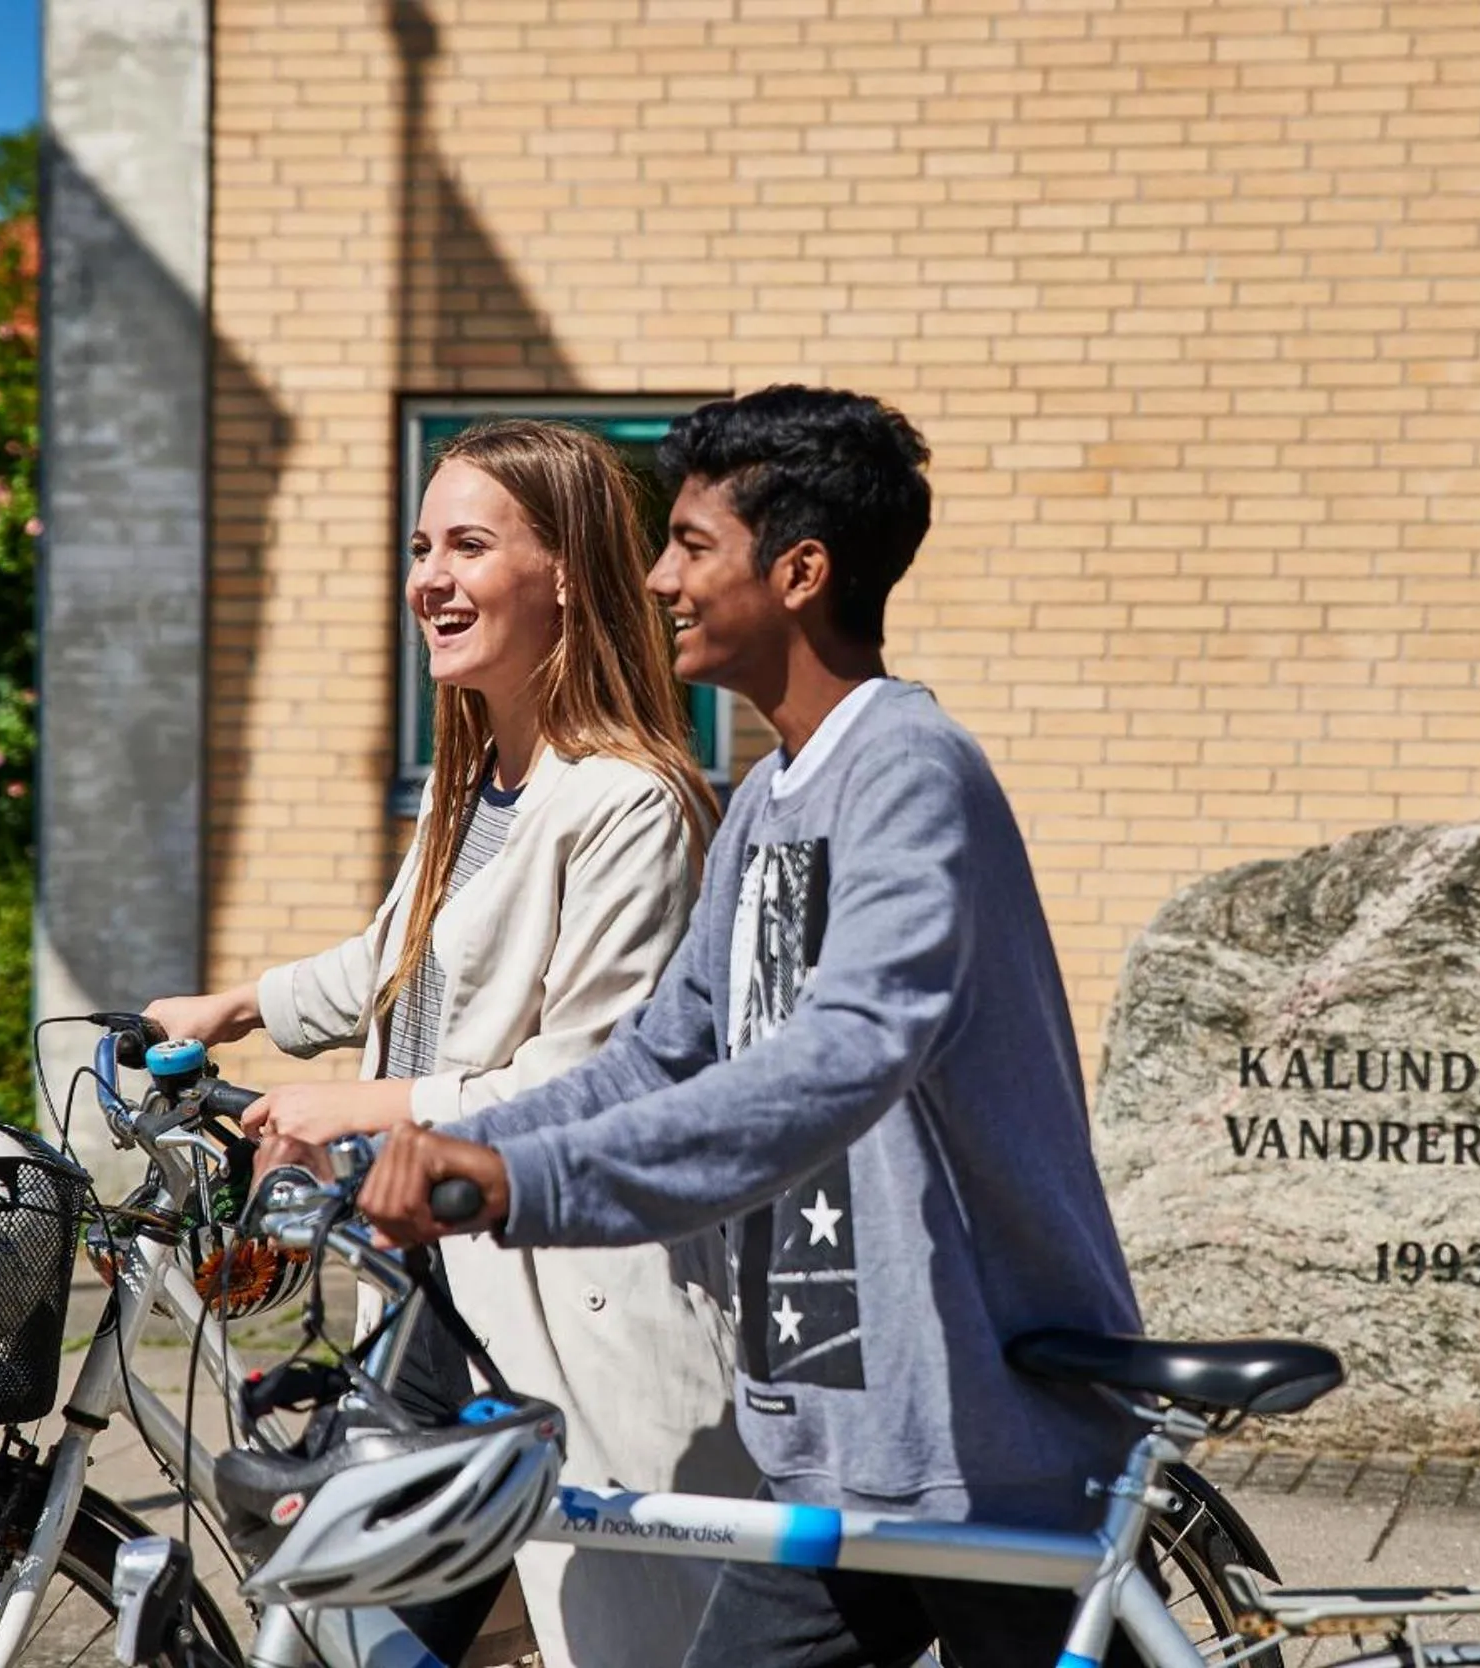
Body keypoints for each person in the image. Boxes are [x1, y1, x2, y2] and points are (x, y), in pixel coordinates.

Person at [359, 386, 1148, 1668]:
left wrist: (521, 1178)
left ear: (799, 571)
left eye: (691, 544)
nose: (659, 577)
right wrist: (464, 1155)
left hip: (974, 1438)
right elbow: (660, 1056)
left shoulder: (906, 773)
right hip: (838, 1440)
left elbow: (844, 1055)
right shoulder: (771, 796)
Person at [143, 418, 752, 1668]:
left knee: (535, 1637)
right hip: (436, 1305)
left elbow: (593, 1079)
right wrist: (236, 1007)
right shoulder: (475, 784)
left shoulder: (631, 803)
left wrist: (367, 1109)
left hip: (566, 1319)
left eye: (469, 544)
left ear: (571, 571)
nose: (429, 577)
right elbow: (394, 961)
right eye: (423, 547)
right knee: (364, 1633)